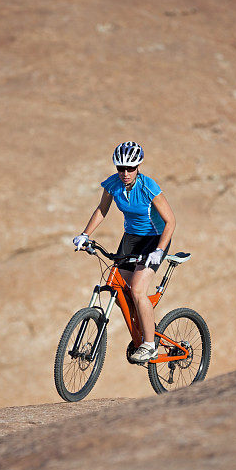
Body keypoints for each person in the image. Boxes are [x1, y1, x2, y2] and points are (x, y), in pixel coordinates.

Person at [72, 141, 176, 363]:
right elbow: (102, 209)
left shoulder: (149, 186)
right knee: (118, 288)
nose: (125, 173)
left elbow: (170, 221)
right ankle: (141, 326)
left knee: (137, 289)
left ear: (138, 166)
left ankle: (149, 345)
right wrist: (85, 234)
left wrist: (159, 250)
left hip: (155, 239)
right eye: (121, 168)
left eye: (130, 168)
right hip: (131, 239)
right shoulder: (112, 184)